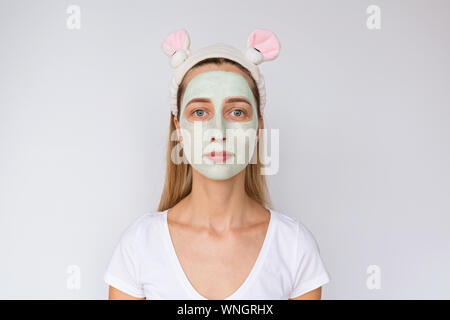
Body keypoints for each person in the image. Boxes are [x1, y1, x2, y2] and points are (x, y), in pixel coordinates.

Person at [104, 29, 330, 300]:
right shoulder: (139, 245)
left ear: (257, 127)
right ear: (179, 127)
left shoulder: (294, 246)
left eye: (237, 112)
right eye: (200, 112)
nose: (218, 131)